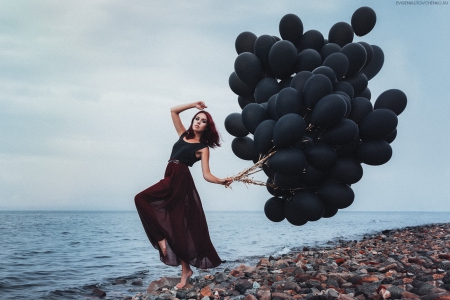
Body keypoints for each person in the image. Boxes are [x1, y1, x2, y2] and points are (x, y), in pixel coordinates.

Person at [134, 101, 232, 289]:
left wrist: (221, 181)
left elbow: (206, 174)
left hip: (180, 182)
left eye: (202, 121)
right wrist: (194, 104)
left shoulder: (203, 148)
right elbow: (173, 111)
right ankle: (163, 240)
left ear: (207, 126)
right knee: (141, 199)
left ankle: (184, 271)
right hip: (169, 177)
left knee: (179, 226)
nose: (198, 122)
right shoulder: (182, 135)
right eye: (197, 118)